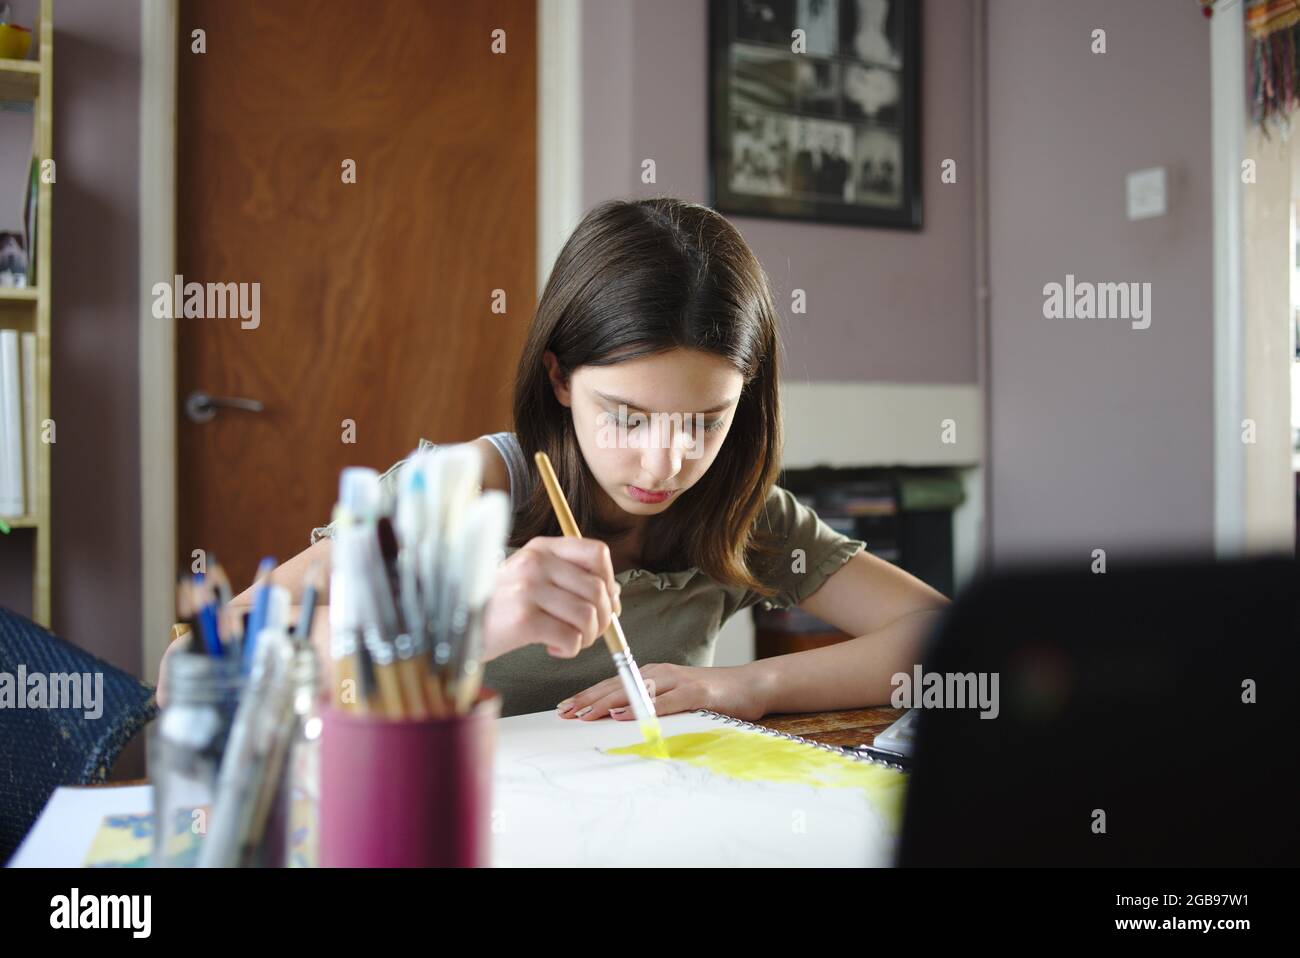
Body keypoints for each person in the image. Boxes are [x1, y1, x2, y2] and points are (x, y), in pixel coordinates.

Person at [158, 198, 947, 719]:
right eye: (628, 417)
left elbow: (943, 637)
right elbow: (194, 665)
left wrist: (747, 686)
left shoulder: (736, 511)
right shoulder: (463, 489)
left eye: (706, 421)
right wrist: (469, 619)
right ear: (560, 377)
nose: (667, 463)